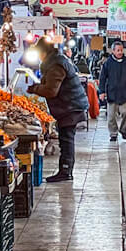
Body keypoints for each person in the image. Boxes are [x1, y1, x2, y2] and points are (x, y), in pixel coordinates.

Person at [28, 39, 88, 182]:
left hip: (70, 107)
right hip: (69, 105)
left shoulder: (56, 65)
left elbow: (51, 90)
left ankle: (66, 171)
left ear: (43, 53)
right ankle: (65, 170)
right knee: (65, 139)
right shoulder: (57, 61)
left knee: (66, 139)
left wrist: (34, 89)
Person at [98, 40, 126, 142]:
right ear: (113, 51)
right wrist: (101, 91)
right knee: (111, 116)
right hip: (112, 93)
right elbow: (102, 78)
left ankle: (123, 130)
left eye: (121, 50)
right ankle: (113, 133)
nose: (120, 52)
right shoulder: (108, 63)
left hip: (125, 93)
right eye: (118, 50)